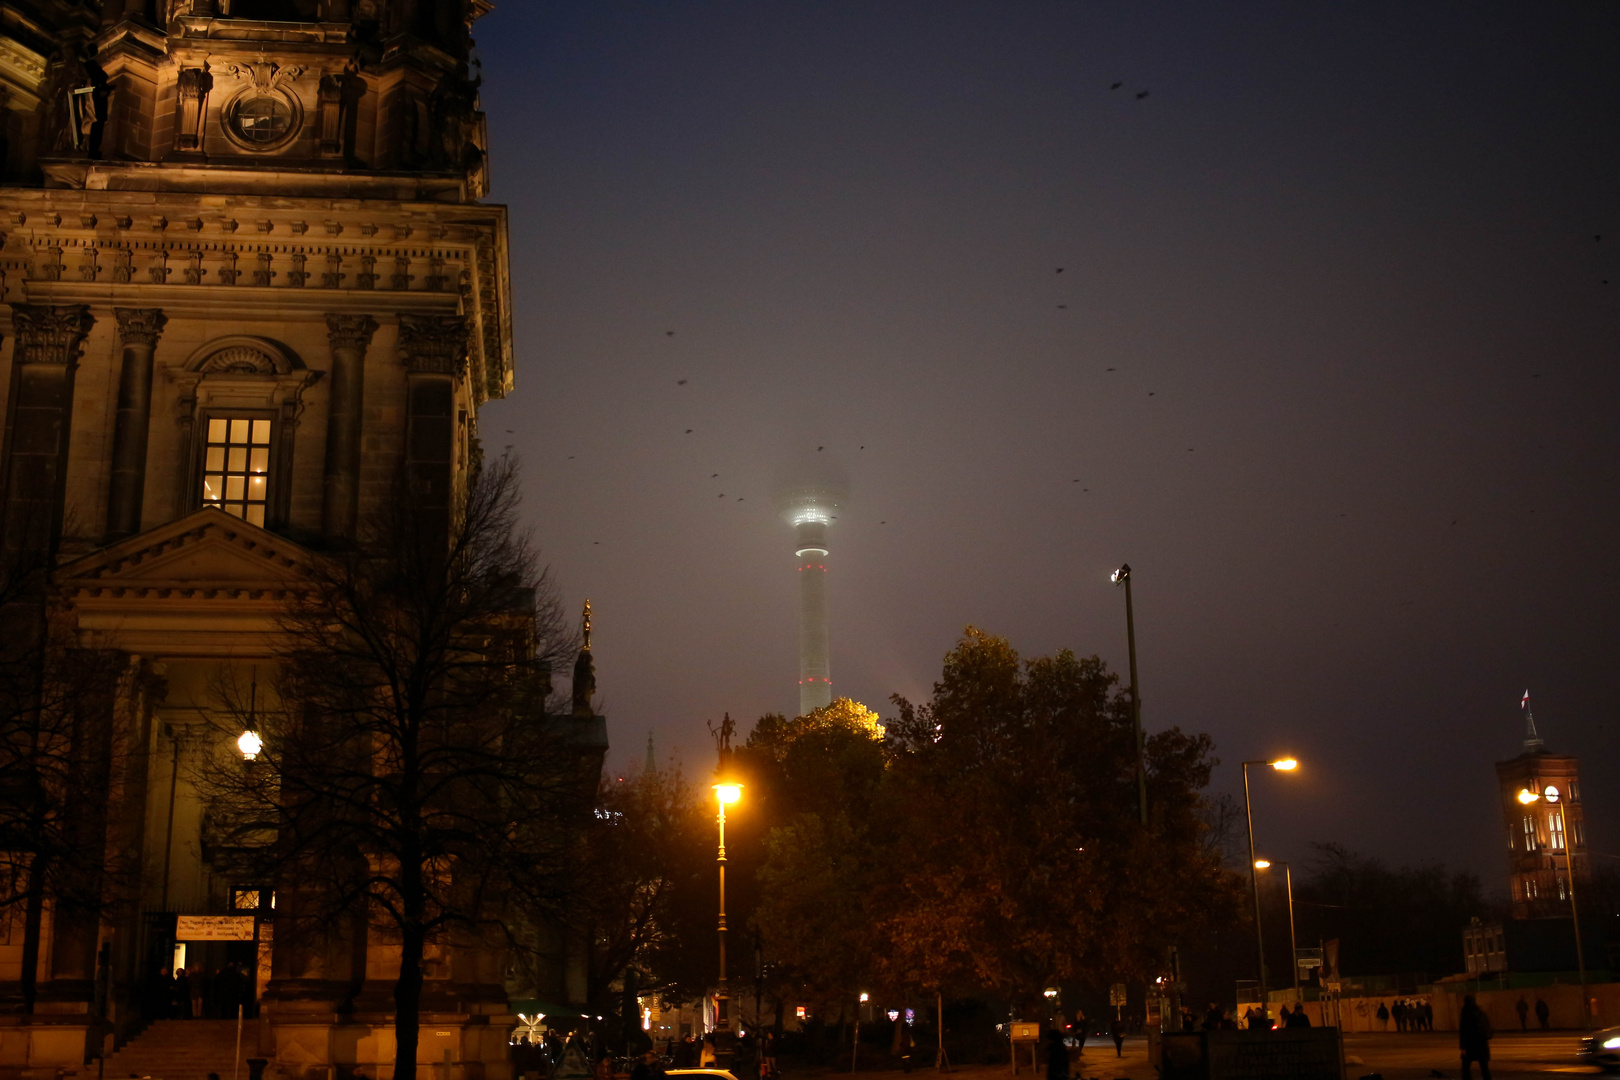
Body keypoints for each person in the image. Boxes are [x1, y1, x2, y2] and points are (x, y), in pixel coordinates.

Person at [1459, 994, 1493, 1080]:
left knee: (1465, 1068)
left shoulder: (1466, 1013)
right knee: (1484, 1068)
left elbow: (1463, 1032)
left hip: (1470, 1045)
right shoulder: (1481, 1013)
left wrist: (1463, 1047)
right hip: (1482, 1045)